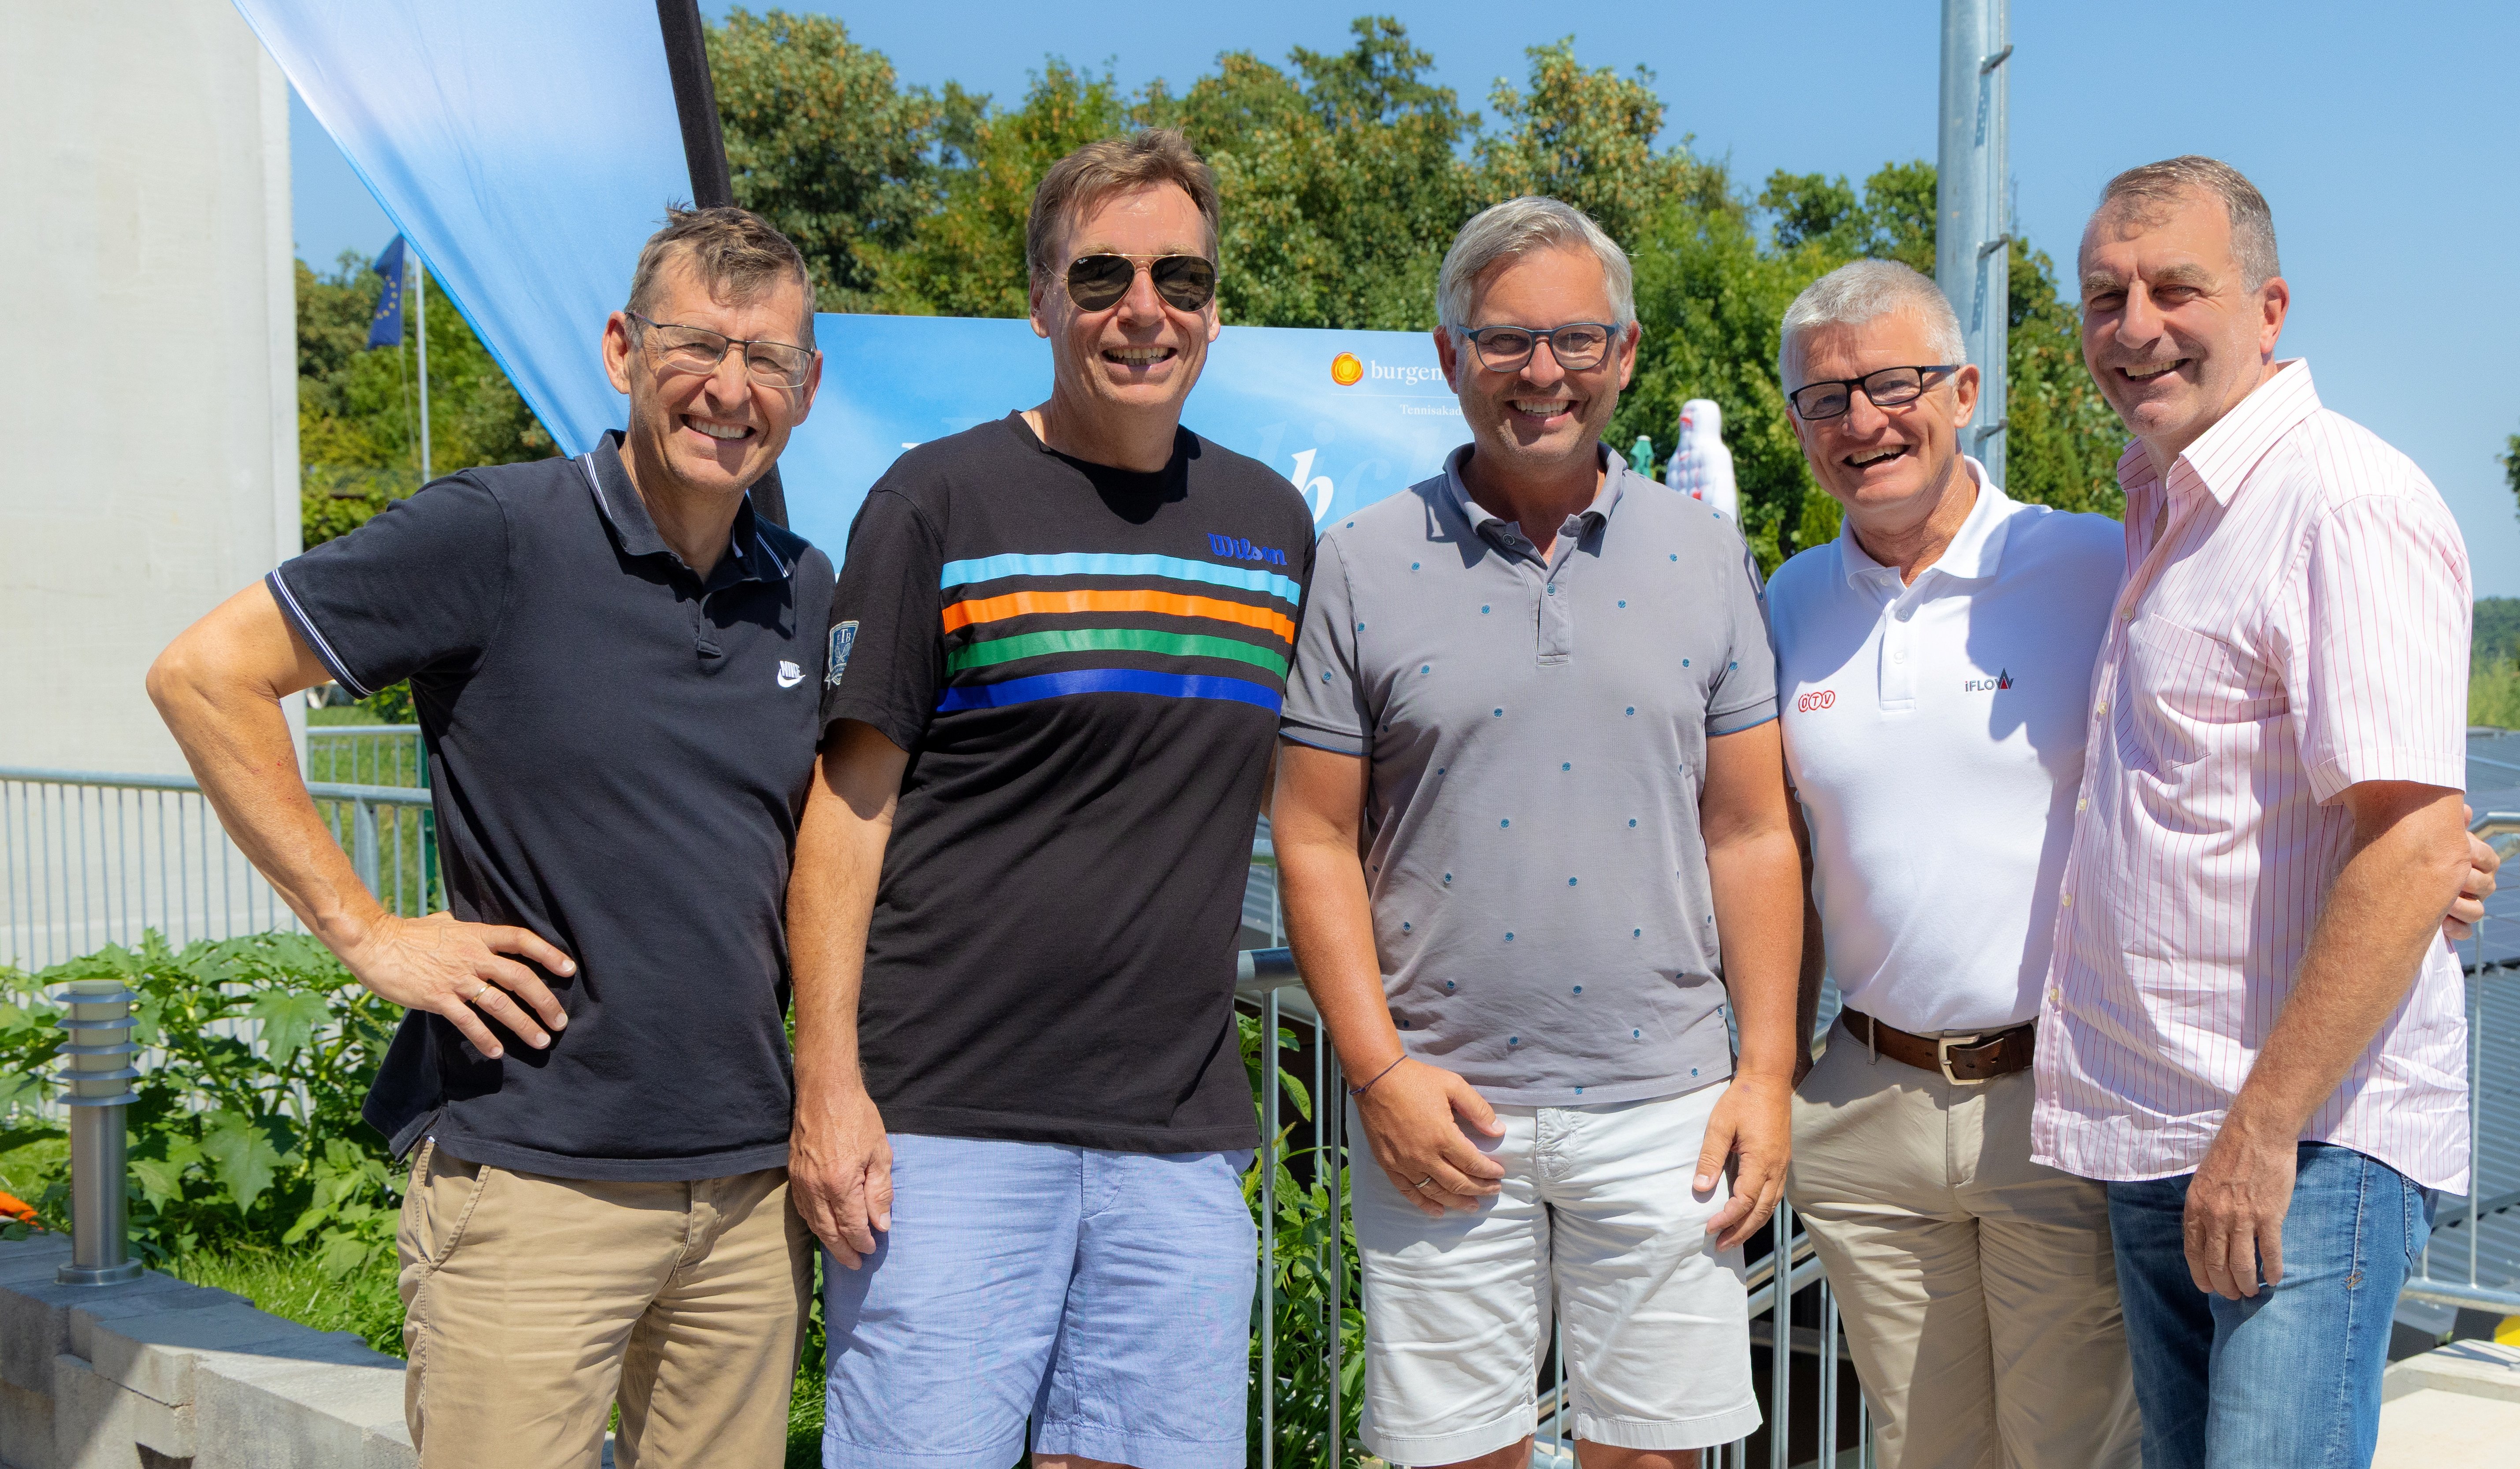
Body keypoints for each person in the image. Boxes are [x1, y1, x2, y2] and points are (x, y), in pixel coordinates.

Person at [1765, 260, 2505, 1469]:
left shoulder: (2097, 564)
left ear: (1963, 393)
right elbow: (1767, 840)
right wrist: (1774, 1068)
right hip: (1869, 1102)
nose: (1863, 422)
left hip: (2058, 1105)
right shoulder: (1790, 601)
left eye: (1895, 384)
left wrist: (2435, 856)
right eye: (1824, 398)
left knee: (2074, 1452)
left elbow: (2266, 727)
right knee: (1921, 1449)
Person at [147, 206, 831, 1469]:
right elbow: (205, 675)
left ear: (807, 386)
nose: (731, 389)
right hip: (532, 1184)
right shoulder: (497, 532)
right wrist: (367, 932)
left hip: (747, 1194)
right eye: (696, 345)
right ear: (623, 349)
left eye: (768, 359)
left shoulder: (805, 591)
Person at [786, 129, 1310, 1469]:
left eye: (1180, 279)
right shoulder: (936, 501)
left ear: (1214, 309)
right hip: (947, 1128)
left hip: (1174, 1138)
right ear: (1039, 301)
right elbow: (848, 809)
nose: (1144, 310)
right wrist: (828, 1087)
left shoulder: (1270, 527)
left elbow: (1320, 807)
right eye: (1100, 277)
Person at [1274, 195, 1803, 1469]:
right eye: (1506, 340)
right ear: (1450, 356)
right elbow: (1312, 837)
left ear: (1624, 353)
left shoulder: (1705, 555)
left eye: (1576, 338)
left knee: (1654, 1455)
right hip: (1441, 1109)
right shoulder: (1359, 561)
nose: (1543, 372)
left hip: (1670, 1106)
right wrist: (1377, 1075)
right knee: (1460, 1458)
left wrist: (1767, 1076)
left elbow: (1750, 831)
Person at [2031, 156, 2478, 1469]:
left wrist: (2263, 1125)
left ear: (2269, 309)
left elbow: (2412, 841)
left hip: (2302, 1140)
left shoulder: (2342, 502)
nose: (2135, 327)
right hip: (2157, 1124)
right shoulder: (2164, 505)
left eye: (2177, 289)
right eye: (2104, 296)